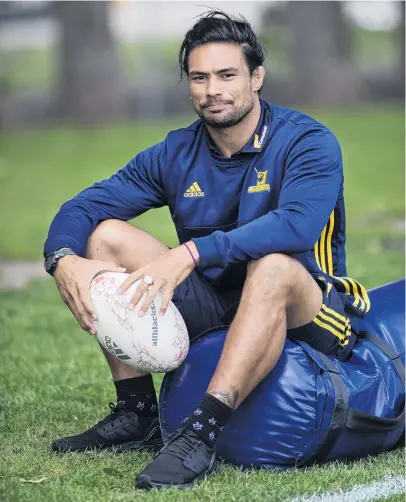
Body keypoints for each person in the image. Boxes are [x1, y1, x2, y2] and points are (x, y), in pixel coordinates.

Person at [43, 10, 371, 490]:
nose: (211, 89)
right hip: (217, 307)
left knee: (273, 265)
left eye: (226, 75)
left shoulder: (308, 141)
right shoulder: (176, 152)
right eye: (199, 77)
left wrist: (191, 253)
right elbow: (86, 205)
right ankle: (137, 412)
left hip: (310, 307)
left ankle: (200, 432)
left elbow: (297, 226)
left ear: (256, 77)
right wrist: (62, 259)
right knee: (103, 237)